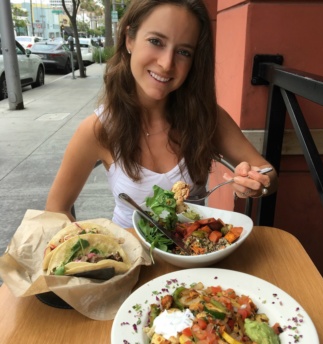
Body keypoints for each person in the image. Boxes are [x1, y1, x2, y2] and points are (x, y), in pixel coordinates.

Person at [45, 0, 278, 228]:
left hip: (195, 253)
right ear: (130, 39)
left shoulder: (206, 117)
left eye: (184, 52)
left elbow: (268, 173)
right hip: (131, 258)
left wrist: (257, 182)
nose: (167, 64)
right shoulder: (98, 128)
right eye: (156, 41)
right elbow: (55, 211)